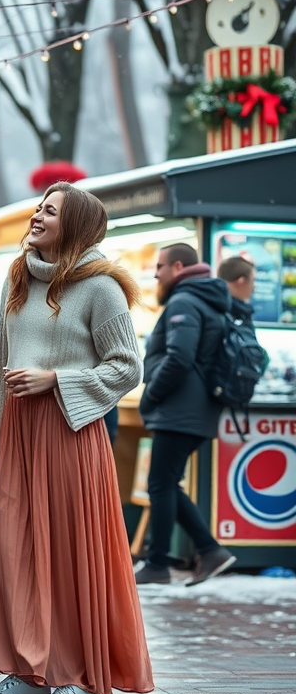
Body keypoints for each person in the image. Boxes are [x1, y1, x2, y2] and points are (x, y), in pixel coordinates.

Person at [0, 181, 153, 694]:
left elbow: (127, 367)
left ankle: (77, 680)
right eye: (39, 207)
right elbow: (1, 359)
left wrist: (57, 380)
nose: (38, 216)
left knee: (70, 553)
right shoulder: (18, 277)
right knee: (16, 553)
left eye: (50, 210)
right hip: (21, 436)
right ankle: (27, 674)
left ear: (74, 225)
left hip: (72, 434)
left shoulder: (102, 288)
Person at [134, 243, 237, 586]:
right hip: (194, 408)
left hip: (180, 408)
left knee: (161, 484)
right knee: (166, 483)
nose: (156, 273)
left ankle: (159, 563)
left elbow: (178, 356)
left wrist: (151, 394)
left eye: (160, 266)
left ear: (178, 266)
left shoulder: (184, 301)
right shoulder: (203, 299)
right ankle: (208, 551)